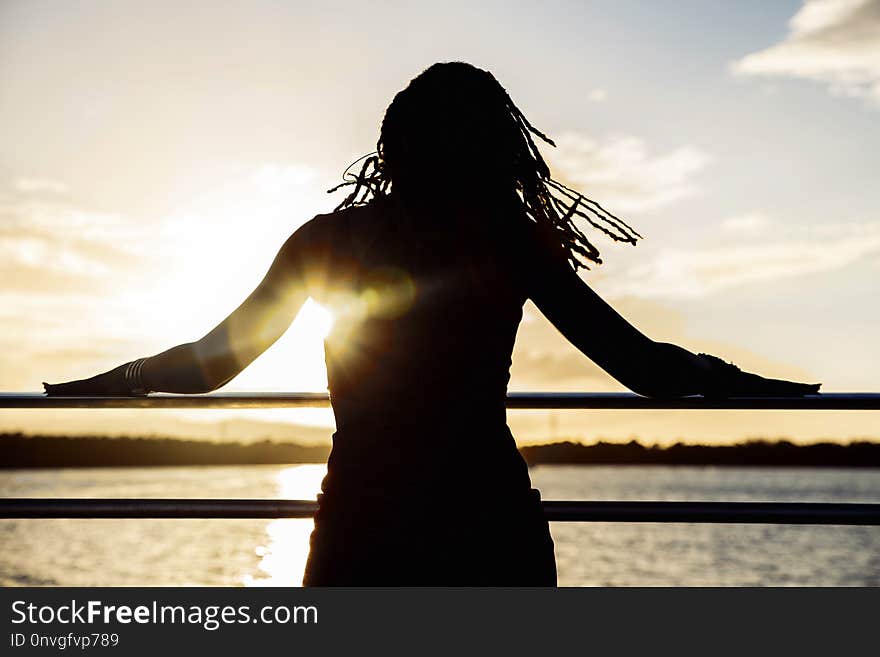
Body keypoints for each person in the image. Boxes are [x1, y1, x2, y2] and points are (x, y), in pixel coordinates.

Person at [44, 62, 821, 585]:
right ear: (498, 146)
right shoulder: (508, 241)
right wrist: (745, 380)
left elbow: (211, 365)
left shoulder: (329, 241)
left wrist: (115, 380)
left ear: (394, 142)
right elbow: (644, 368)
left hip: (362, 532)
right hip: (488, 529)